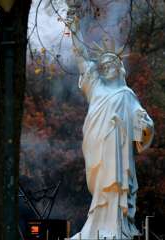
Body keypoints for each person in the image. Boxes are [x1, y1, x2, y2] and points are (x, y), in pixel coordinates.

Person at [66, 6, 154, 239]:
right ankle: (97, 226)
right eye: (104, 65)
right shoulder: (96, 87)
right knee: (101, 184)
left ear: (120, 67)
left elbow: (143, 127)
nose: (108, 66)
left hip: (119, 146)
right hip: (98, 143)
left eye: (112, 62)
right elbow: (81, 56)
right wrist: (73, 27)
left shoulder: (127, 94)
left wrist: (143, 125)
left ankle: (116, 226)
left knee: (116, 184)